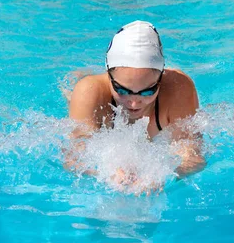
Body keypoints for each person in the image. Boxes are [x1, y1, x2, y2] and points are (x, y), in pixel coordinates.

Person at [65, 20, 205, 190]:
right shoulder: (89, 92)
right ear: (108, 75)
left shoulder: (178, 90)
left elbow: (194, 156)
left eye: (147, 91)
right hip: (93, 95)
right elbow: (73, 157)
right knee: (78, 94)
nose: (133, 102)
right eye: (122, 90)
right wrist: (105, 172)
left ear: (160, 80)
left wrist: (162, 174)